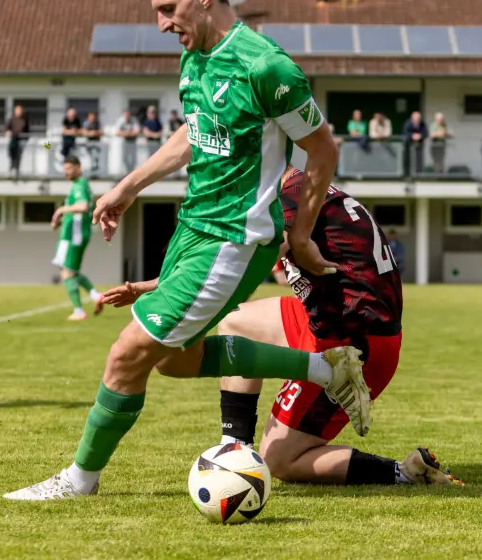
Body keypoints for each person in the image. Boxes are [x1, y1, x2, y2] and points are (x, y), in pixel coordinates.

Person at [3, 0, 360, 501]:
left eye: (167, 9)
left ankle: (80, 480)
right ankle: (325, 369)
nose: (164, 23)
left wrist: (299, 234)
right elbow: (193, 135)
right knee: (174, 362)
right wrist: (127, 187)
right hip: (191, 231)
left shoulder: (267, 67)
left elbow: (322, 149)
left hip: (235, 241)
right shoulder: (195, 60)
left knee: (127, 354)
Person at [102, 168, 459, 487]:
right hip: (331, 320)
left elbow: (247, 264)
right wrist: (145, 288)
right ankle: (235, 449)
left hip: (356, 343)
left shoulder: (287, 201)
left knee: (280, 461)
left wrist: (161, 291)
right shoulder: (300, 188)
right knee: (237, 322)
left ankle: (404, 472)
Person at [52, 156, 103, 321]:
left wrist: (61, 210)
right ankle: (96, 296)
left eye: (69, 168)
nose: (66, 172)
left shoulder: (80, 185)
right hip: (75, 234)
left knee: (67, 273)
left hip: (73, 236)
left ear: (78, 167)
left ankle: (79, 311)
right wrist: (61, 219)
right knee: (71, 272)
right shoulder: (79, 186)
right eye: (65, 168)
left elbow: (82, 207)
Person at [5, 105, 29, 179]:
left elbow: (28, 131)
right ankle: (11, 169)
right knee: (12, 154)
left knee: (18, 155)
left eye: (20, 111)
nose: (19, 112)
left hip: (21, 140)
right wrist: (8, 132)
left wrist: (25, 138)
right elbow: (7, 129)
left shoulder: (24, 120)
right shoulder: (11, 119)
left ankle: (17, 171)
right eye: (17, 111)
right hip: (13, 139)